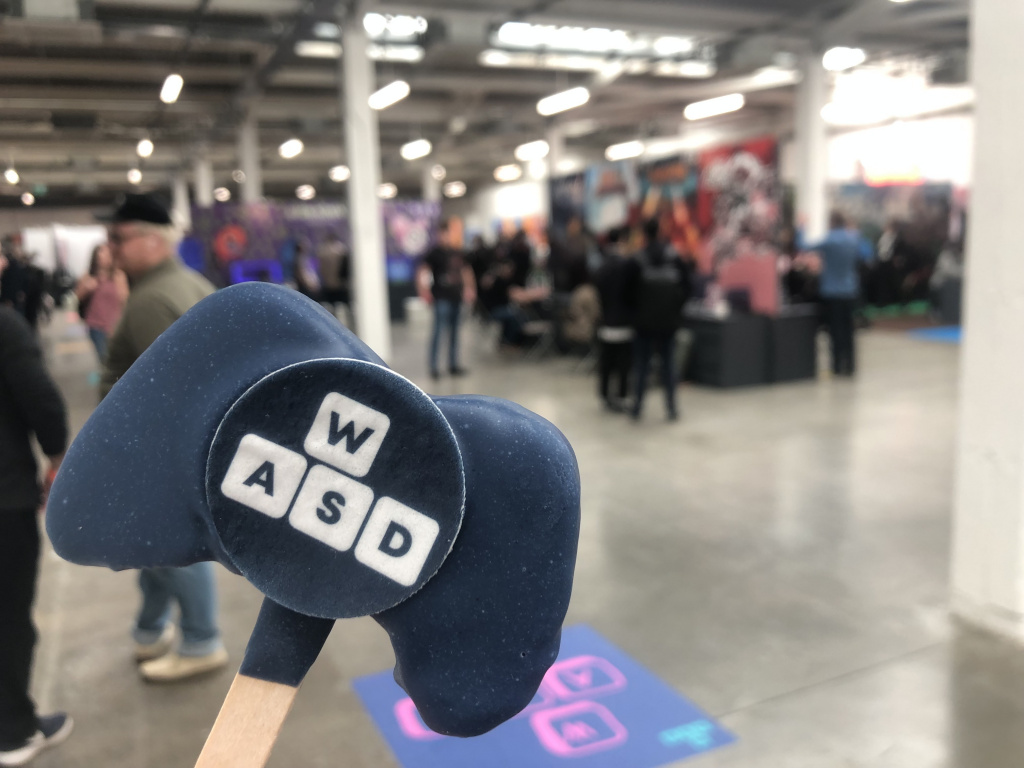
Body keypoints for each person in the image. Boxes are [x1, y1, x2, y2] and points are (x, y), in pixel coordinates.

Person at [101, 193, 228, 683]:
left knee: (170, 548)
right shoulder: (180, 282)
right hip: (164, 449)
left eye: (119, 237)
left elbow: (172, 392)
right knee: (149, 549)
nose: (110, 246)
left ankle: (200, 640)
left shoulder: (153, 298)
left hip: (158, 452)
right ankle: (150, 628)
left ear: (153, 241)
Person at [0, 253, 74, 767]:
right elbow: (41, 399)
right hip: (3, 499)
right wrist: (57, 457)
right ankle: (13, 730)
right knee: (8, 616)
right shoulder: (4, 326)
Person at [631, 219, 692, 422]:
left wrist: (636, 312)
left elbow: (627, 293)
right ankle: (672, 408)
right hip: (668, 323)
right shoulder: (674, 258)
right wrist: (676, 310)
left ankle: (637, 407)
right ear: (660, 232)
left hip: (643, 324)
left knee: (641, 366)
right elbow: (687, 287)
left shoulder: (637, 259)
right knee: (669, 365)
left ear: (644, 234)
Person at [798, 211, 873, 377]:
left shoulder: (830, 240)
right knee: (848, 329)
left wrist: (801, 226)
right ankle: (851, 365)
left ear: (831, 223)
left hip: (832, 291)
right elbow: (867, 254)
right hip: (849, 289)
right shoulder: (853, 239)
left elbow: (803, 246)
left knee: (835, 330)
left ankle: (837, 365)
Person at [417, 220, 476, 380]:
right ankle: (434, 367)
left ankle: (453, 364)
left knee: (455, 332)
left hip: (456, 296)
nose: (446, 237)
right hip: (441, 297)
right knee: (438, 331)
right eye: (443, 233)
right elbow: (422, 271)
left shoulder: (457, 252)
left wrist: (470, 288)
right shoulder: (434, 254)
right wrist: (424, 291)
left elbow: (465, 271)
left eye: (448, 233)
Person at [594, 227, 635, 412]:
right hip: (623, 322)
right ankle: (621, 396)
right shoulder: (626, 266)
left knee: (606, 362)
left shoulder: (601, 266)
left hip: (605, 321)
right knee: (623, 363)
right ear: (621, 240)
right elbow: (632, 295)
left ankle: (604, 394)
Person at [75, 243, 128, 362]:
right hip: (96, 325)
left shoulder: (118, 276)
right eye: (100, 253)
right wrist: (87, 287)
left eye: (106, 253)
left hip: (115, 325)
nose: (103, 257)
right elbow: (77, 297)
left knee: (118, 360)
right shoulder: (88, 276)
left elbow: (125, 299)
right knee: (105, 360)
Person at [316, 232, 350, 319]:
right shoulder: (341, 251)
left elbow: (321, 269)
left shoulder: (322, 251)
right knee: (345, 308)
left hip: (327, 284)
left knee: (331, 309)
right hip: (339, 284)